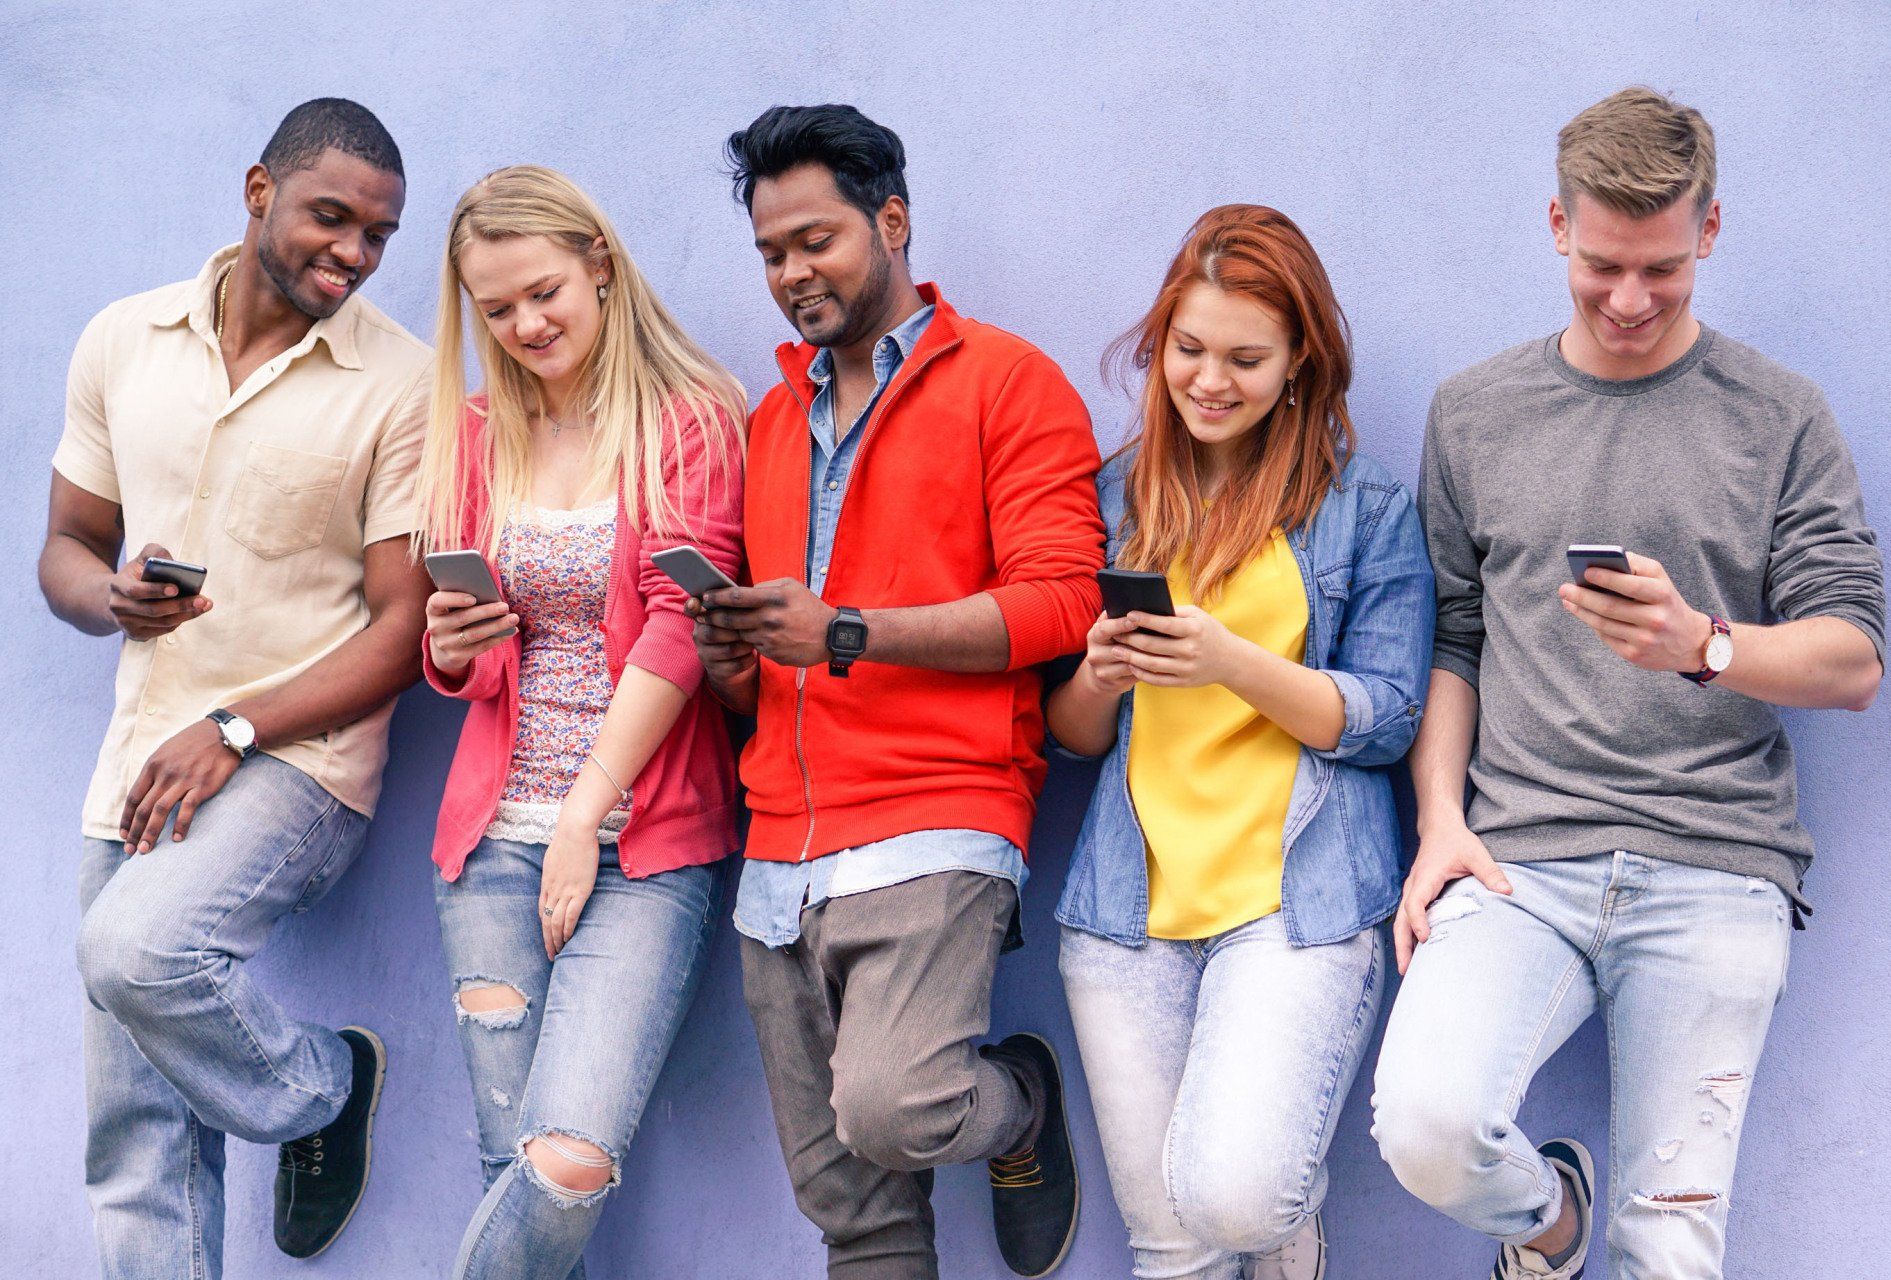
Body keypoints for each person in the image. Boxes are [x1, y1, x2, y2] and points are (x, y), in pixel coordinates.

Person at [1371, 87, 1885, 1280]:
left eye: (1663, 268)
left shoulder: (1781, 416)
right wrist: (1439, 820)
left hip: (1716, 862)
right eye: (1603, 264)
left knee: (1673, 1244)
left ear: (1709, 233)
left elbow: (1854, 656)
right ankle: (1551, 1222)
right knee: (1427, 1126)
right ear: (1558, 225)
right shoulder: (1476, 412)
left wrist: (1705, 644)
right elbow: (1455, 639)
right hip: (1515, 863)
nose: (1631, 300)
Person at [689, 104, 1104, 1279]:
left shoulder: (1011, 383)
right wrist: (739, 667)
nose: (792, 273)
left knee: (896, 1108)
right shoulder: (771, 420)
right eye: (772, 252)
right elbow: (787, 663)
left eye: (815, 239)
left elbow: (1061, 604)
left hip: (937, 819)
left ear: (894, 218)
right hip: (780, 849)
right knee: (848, 1205)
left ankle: (1020, 1100)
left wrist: (849, 631)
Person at [43, 98, 431, 1275]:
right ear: (258, 189)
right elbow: (66, 548)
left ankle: (323, 1087)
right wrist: (110, 597)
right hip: (140, 756)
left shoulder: (401, 382)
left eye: (378, 235)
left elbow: (405, 627)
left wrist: (237, 723)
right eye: (331, 218)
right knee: (135, 1138)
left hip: (299, 764)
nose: (352, 255)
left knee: (133, 955)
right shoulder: (124, 337)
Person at [1047, 204, 1434, 1280]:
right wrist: (1097, 672)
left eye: (1246, 358)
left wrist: (1231, 661)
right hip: (1129, 911)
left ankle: (1288, 1226)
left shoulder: (1365, 508)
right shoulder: (1114, 499)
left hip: (1295, 905)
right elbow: (1072, 737)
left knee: (1239, 1194)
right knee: (1173, 1252)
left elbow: (1391, 718)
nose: (1210, 379)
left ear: (1302, 360)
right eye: (1189, 349)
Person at [413, 164, 747, 1279]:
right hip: (491, 838)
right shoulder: (472, 431)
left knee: (562, 1162)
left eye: (544, 291)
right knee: (502, 1158)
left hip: (641, 843)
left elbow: (677, 629)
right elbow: (464, 646)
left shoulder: (690, 422)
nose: (525, 324)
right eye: (496, 309)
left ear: (599, 262)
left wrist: (585, 810)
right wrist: (449, 651)